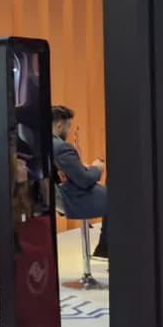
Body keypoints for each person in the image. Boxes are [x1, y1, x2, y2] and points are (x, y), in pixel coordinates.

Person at [51, 105, 107, 259]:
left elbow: (74, 174)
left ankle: (104, 249)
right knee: (120, 201)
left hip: (63, 194)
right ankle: (106, 249)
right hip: (71, 197)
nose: (69, 131)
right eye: (68, 126)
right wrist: (97, 168)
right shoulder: (61, 147)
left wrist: (83, 169)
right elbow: (84, 180)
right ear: (59, 125)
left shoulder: (45, 144)